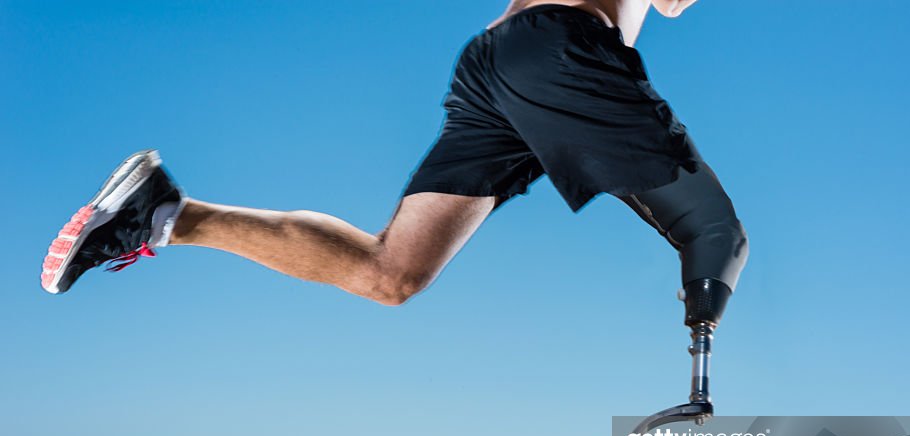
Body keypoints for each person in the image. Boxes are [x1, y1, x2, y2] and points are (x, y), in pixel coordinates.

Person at [41, 0, 747, 349]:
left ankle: (165, 213)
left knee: (392, 272)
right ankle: (703, 382)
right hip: (563, 50)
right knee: (713, 232)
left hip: (498, 60)